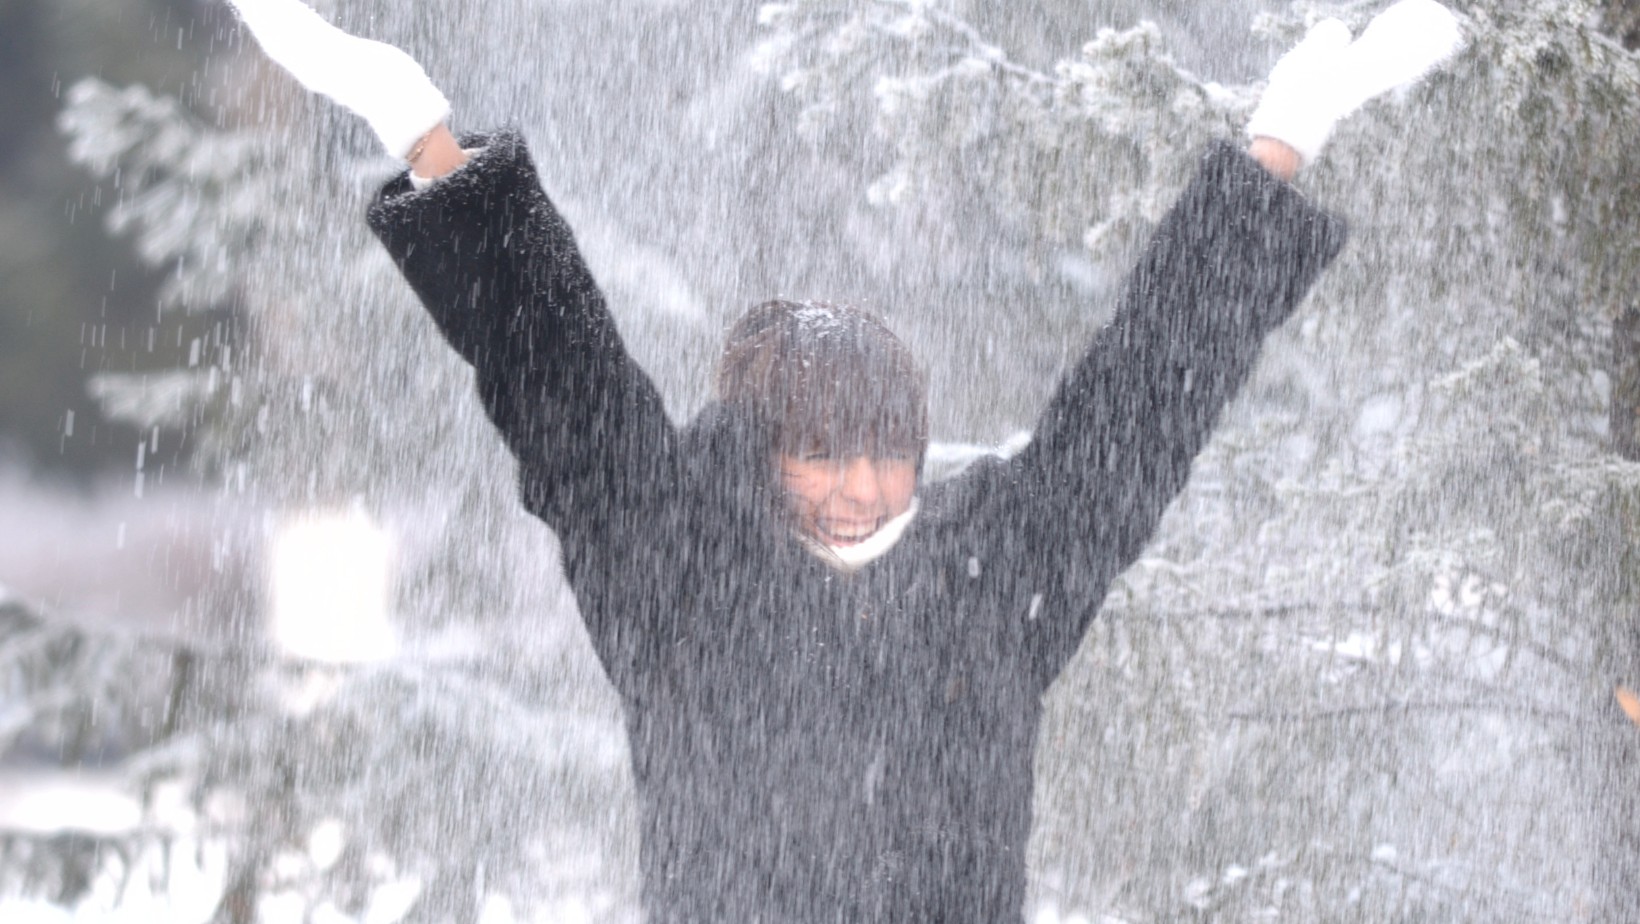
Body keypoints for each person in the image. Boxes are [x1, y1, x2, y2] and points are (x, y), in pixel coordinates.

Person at [227, 1, 1463, 920]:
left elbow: (1140, 399)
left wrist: (1278, 152)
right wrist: (424, 131)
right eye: (825, 454)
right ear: (767, 452)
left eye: (887, 453)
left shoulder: (997, 567)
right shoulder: (672, 567)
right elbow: (557, 377)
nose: (864, 486)